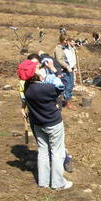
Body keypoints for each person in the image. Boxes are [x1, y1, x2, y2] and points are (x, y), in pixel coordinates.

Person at [18, 59, 72, 190]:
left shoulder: (27, 88)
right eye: (37, 68)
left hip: (37, 123)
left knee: (43, 151)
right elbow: (64, 85)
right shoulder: (46, 88)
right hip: (53, 123)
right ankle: (58, 183)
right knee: (57, 152)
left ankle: (43, 181)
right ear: (34, 73)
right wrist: (53, 70)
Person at [54, 35, 76, 110]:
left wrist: (73, 66)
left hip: (70, 69)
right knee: (68, 86)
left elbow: (71, 57)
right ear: (64, 41)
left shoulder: (66, 47)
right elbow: (59, 60)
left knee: (71, 85)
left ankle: (67, 100)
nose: (68, 42)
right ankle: (67, 103)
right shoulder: (58, 49)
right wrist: (67, 66)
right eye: (67, 40)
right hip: (65, 70)